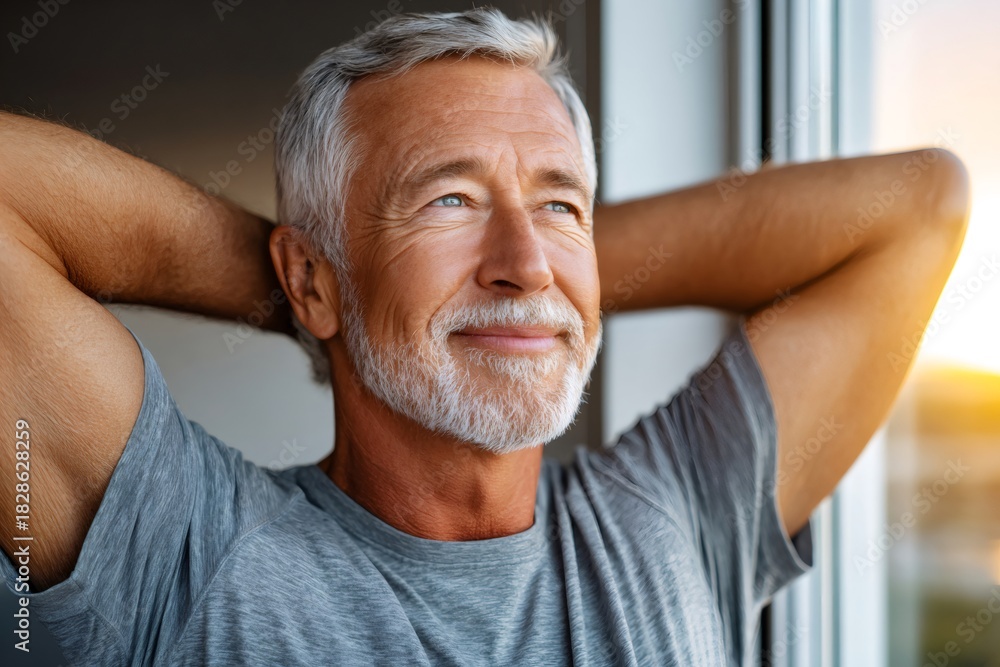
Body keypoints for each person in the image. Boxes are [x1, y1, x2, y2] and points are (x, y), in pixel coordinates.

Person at [0, 8, 969, 666]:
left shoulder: (671, 518)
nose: (526, 259)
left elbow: (920, 210)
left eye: (560, 204)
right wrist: (329, 289)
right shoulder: (189, 553)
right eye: (449, 199)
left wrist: (508, 282)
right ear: (309, 276)